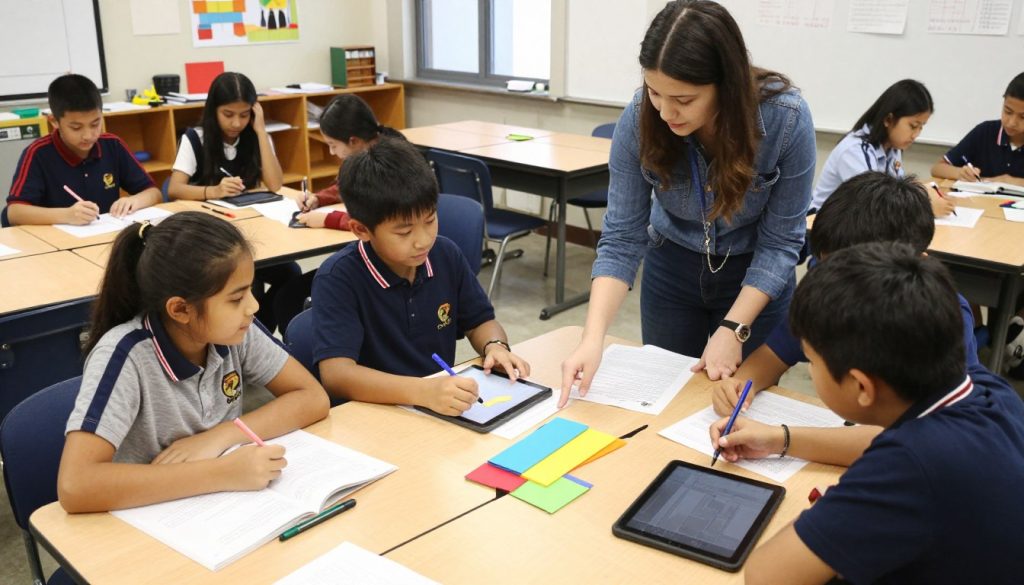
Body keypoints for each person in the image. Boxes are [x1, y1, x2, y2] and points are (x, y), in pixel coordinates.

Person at [559, 0, 816, 406]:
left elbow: (782, 242)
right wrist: (593, 338)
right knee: (664, 399)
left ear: (726, 85)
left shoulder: (786, 120)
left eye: (683, 98)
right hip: (672, 270)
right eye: (654, 92)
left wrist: (733, 328)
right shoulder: (639, 118)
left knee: (740, 408)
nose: (665, 112)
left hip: (754, 278)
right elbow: (622, 237)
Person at [730, 242, 1024, 585]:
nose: (810, 369)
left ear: (861, 386)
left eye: (812, 360)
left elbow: (766, 576)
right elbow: (885, 441)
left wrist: (838, 510)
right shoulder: (987, 389)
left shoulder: (908, 467)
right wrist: (779, 438)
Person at [58, 212, 329, 513]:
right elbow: (75, 485)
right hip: (148, 515)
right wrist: (222, 473)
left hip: (215, 505)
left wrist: (223, 435)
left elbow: (312, 397)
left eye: (250, 290)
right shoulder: (124, 356)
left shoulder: (234, 331)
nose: (253, 306)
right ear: (180, 310)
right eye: (236, 298)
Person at [710, 172, 980, 417]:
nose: (836, 283)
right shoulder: (827, 297)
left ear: (916, 261)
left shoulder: (941, 317)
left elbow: (932, 427)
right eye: (827, 267)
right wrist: (739, 386)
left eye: (853, 275)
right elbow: (772, 356)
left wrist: (784, 439)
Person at [311, 138, 530, 414]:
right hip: (376, 412)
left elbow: (479, 321)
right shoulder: (338, 278)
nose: (423, 240)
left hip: (437, 403)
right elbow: (337, 375)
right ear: (361, 230)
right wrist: (423, 391)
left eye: (430, 220)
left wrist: (495, 346)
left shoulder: (445, 255)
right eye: (404, 232)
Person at [167, 71, 296, 333]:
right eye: (228, 114)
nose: (237, 122)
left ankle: (259, 333)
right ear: (213, 110)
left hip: (252, 232)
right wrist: (212, 191)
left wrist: (260, 131)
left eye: (245, 114)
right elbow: (174, 189)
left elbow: (274, 184)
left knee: (290, 273)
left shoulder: (256, 136)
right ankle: (250, 334)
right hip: (211, 238)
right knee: (242, 280)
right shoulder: (196, 138)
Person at [5, 74, 161, 227]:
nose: (88, 135)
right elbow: (14, 212)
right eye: (76, 128)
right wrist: (66, 215)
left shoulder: (112, 145)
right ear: (54, 121)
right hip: (57, 240)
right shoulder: (38, 153)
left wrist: (134, 201)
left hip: (105, 233)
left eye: (95, 124)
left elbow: (154, 193)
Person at [810, 79, 953, 216]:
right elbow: (874, 205)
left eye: (921, 127)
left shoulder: (893, 148)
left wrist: (923, 193)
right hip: (824, 226)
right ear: (888, 119)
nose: (916, 135)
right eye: (913, 126)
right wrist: (924, 206)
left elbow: (896, 193)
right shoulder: (855, 151)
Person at [296, 93, 406, 230]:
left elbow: (378, 220)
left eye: (333, 145)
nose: (331, 152)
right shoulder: (363, 154)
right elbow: (349, 188)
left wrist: (328, 219)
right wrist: (319, 198)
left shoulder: (388, 162)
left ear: (354, 141)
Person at [931, 71, 1024, 186]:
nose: (1012, 122)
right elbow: (937, 168)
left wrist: (1011, 181)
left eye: (1022, 117)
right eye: (1008, 111)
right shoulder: (985, 132)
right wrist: (960, 173)